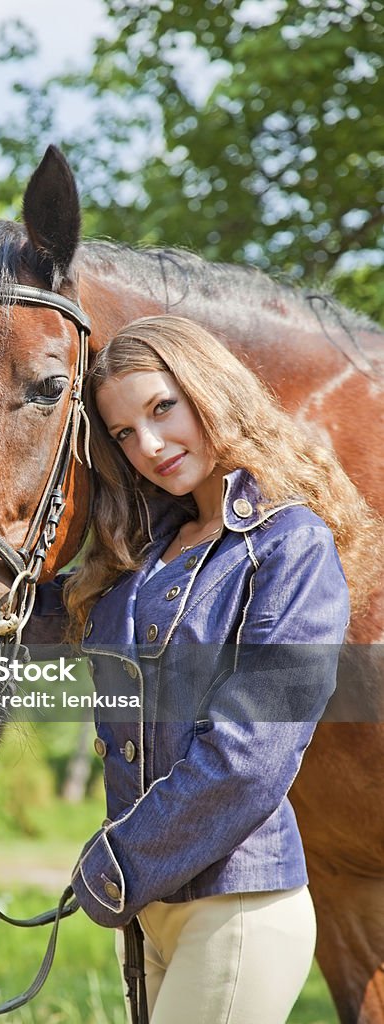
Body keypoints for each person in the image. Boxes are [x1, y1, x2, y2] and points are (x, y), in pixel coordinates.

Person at [30, 315, 380, 1024]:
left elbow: (250, 752)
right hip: (154, 916)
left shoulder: (291, 545)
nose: (148, 445)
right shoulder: (144, 558)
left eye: (162, 409)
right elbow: (49, 625)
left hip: (238, 906)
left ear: (210, 392)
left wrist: (117, 861)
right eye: (123, 433)